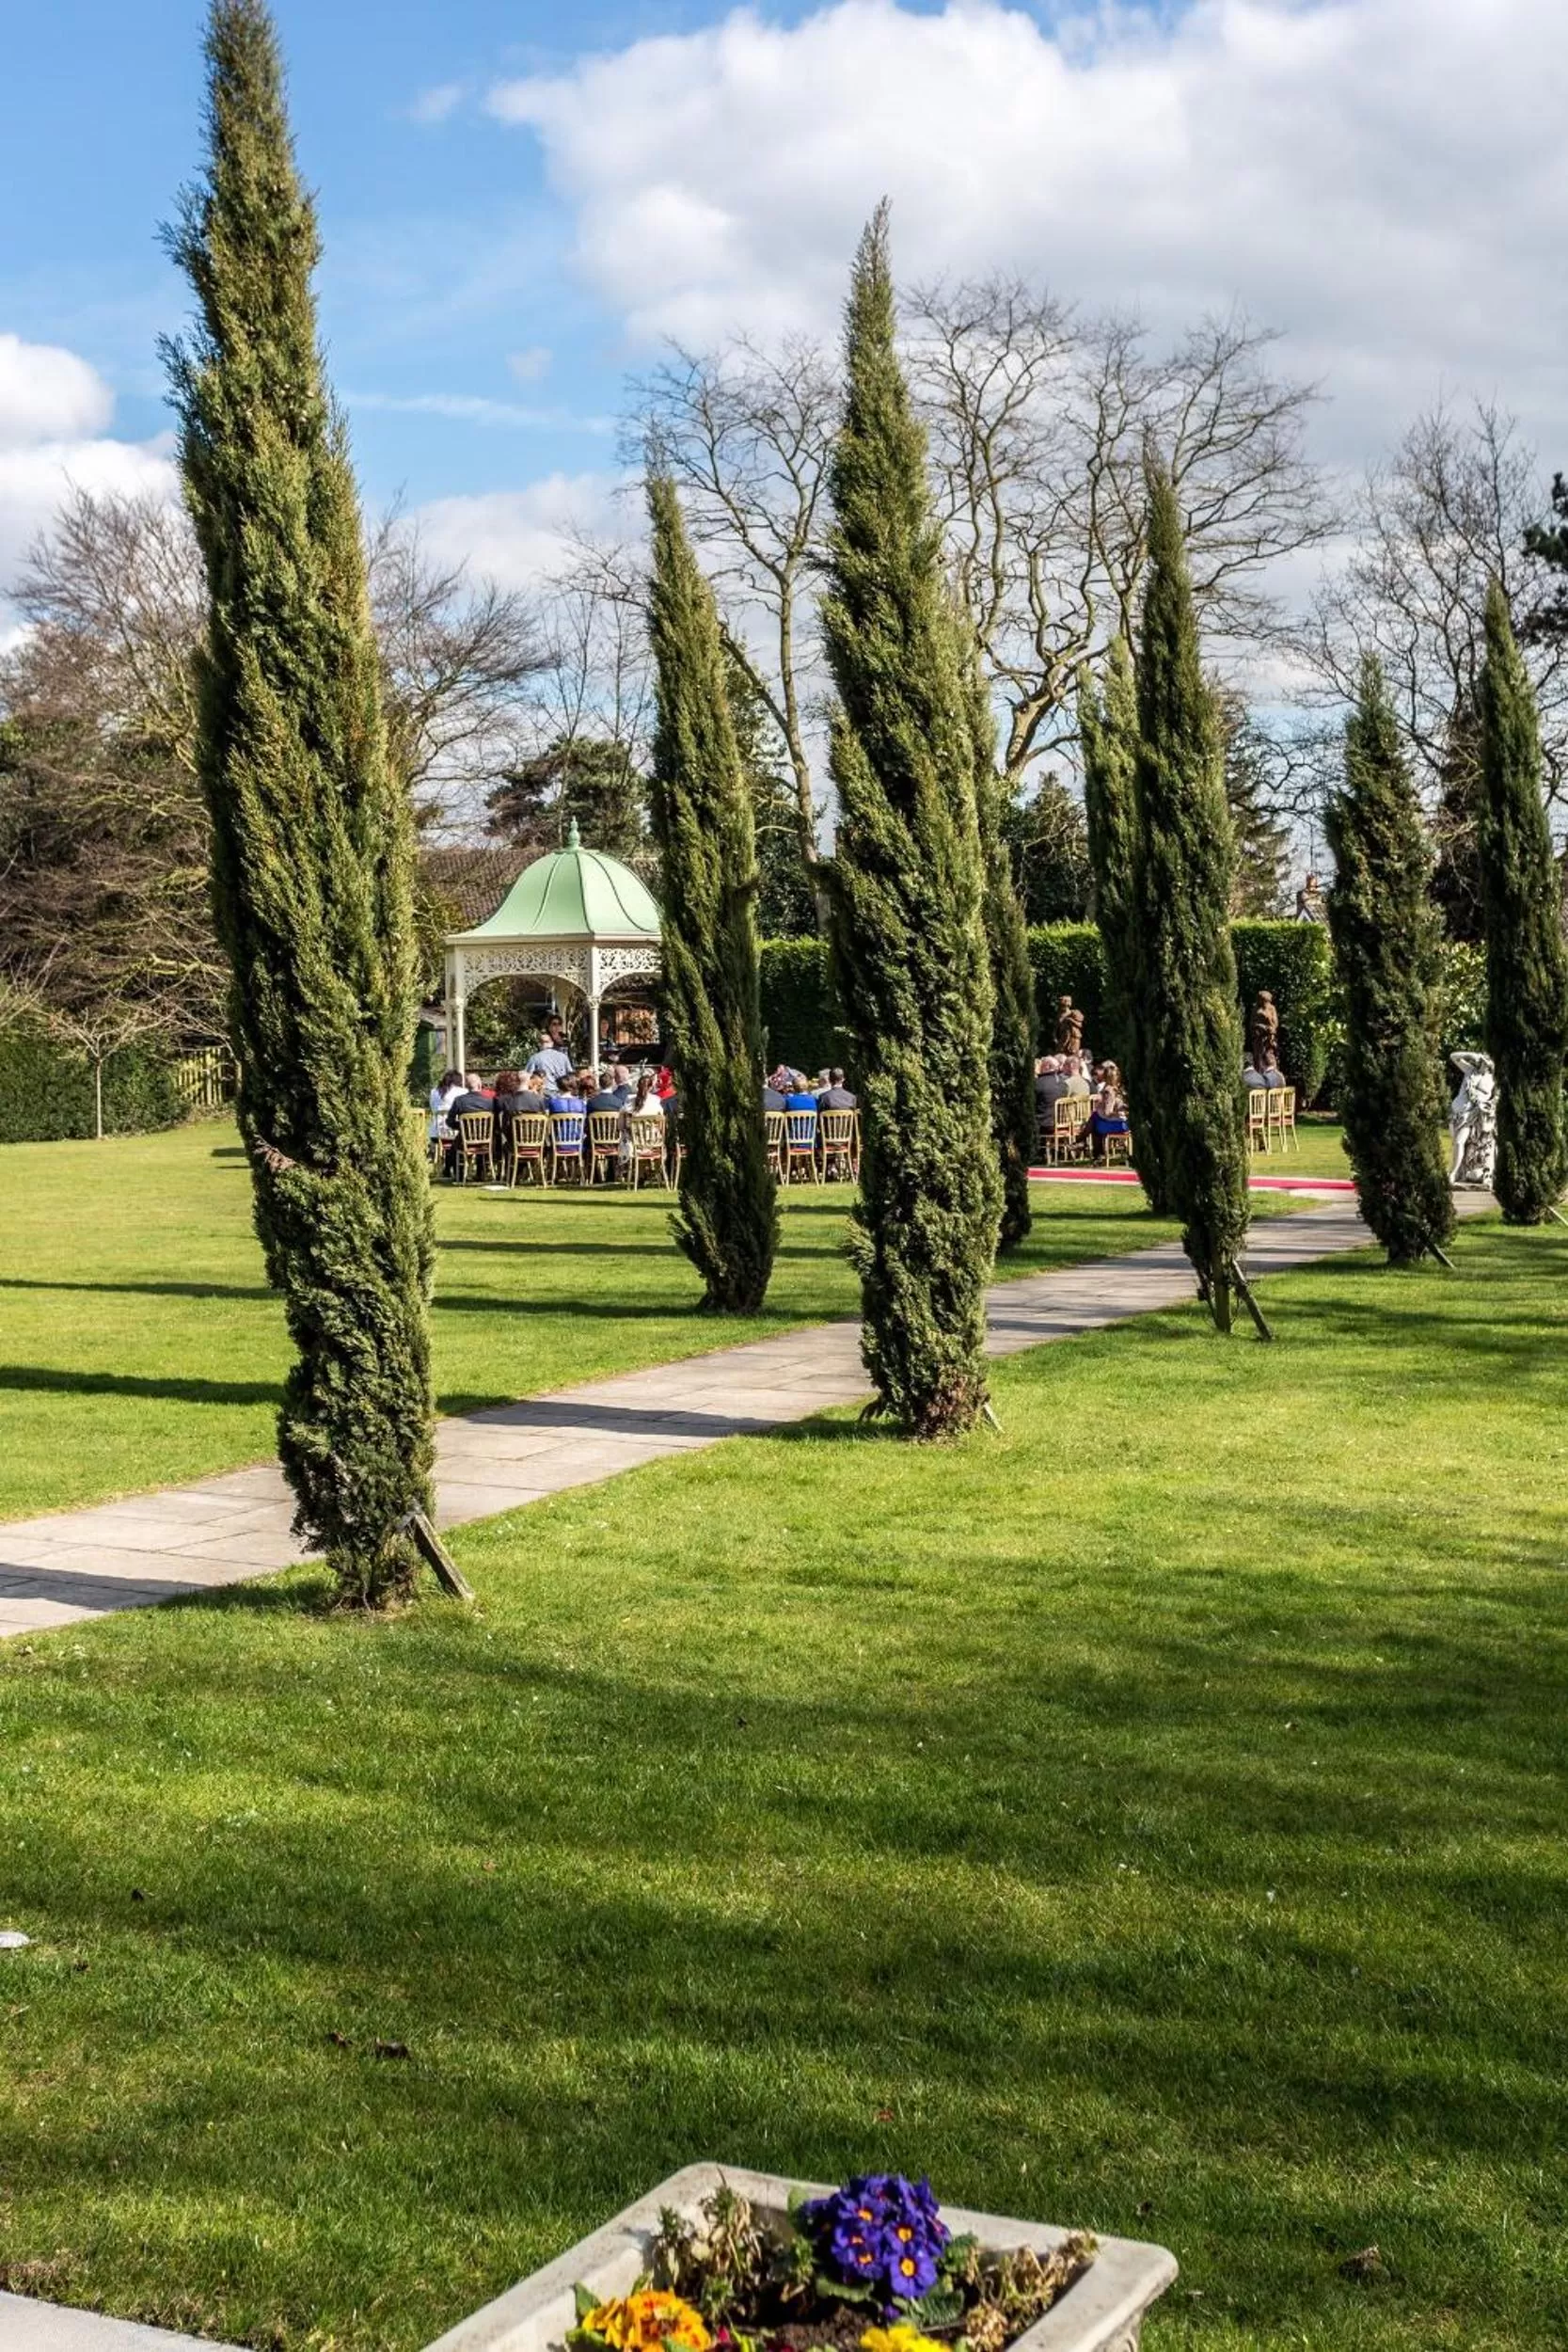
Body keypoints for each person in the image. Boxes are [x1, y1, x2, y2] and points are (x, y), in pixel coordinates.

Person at [1084, 1061, 1130, 1161]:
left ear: (1105, 1077)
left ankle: (1095, 1153)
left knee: (1095, 1123)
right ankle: (1087, 1146)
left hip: (1117, 1124)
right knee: (1095, 1120)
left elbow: (1107, 1113)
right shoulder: (1122, 1089)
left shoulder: (1108, 1091)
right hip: (1126, 1123)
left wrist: (1100, 1109)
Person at [524, 1016, 572, 1087]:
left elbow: (569, 1054)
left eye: (559, 1024)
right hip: (547, 1069)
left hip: (562, 1067)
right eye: (554, 1024)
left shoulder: (564, 1038)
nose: (557, 1026)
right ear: (549, 1026)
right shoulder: (546, 1038)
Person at [427, 1068, 464, 1145]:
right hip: (455, 1133)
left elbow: (433, 1109)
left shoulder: (433, 1092)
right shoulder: (462, 1092)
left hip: (435, 1133)